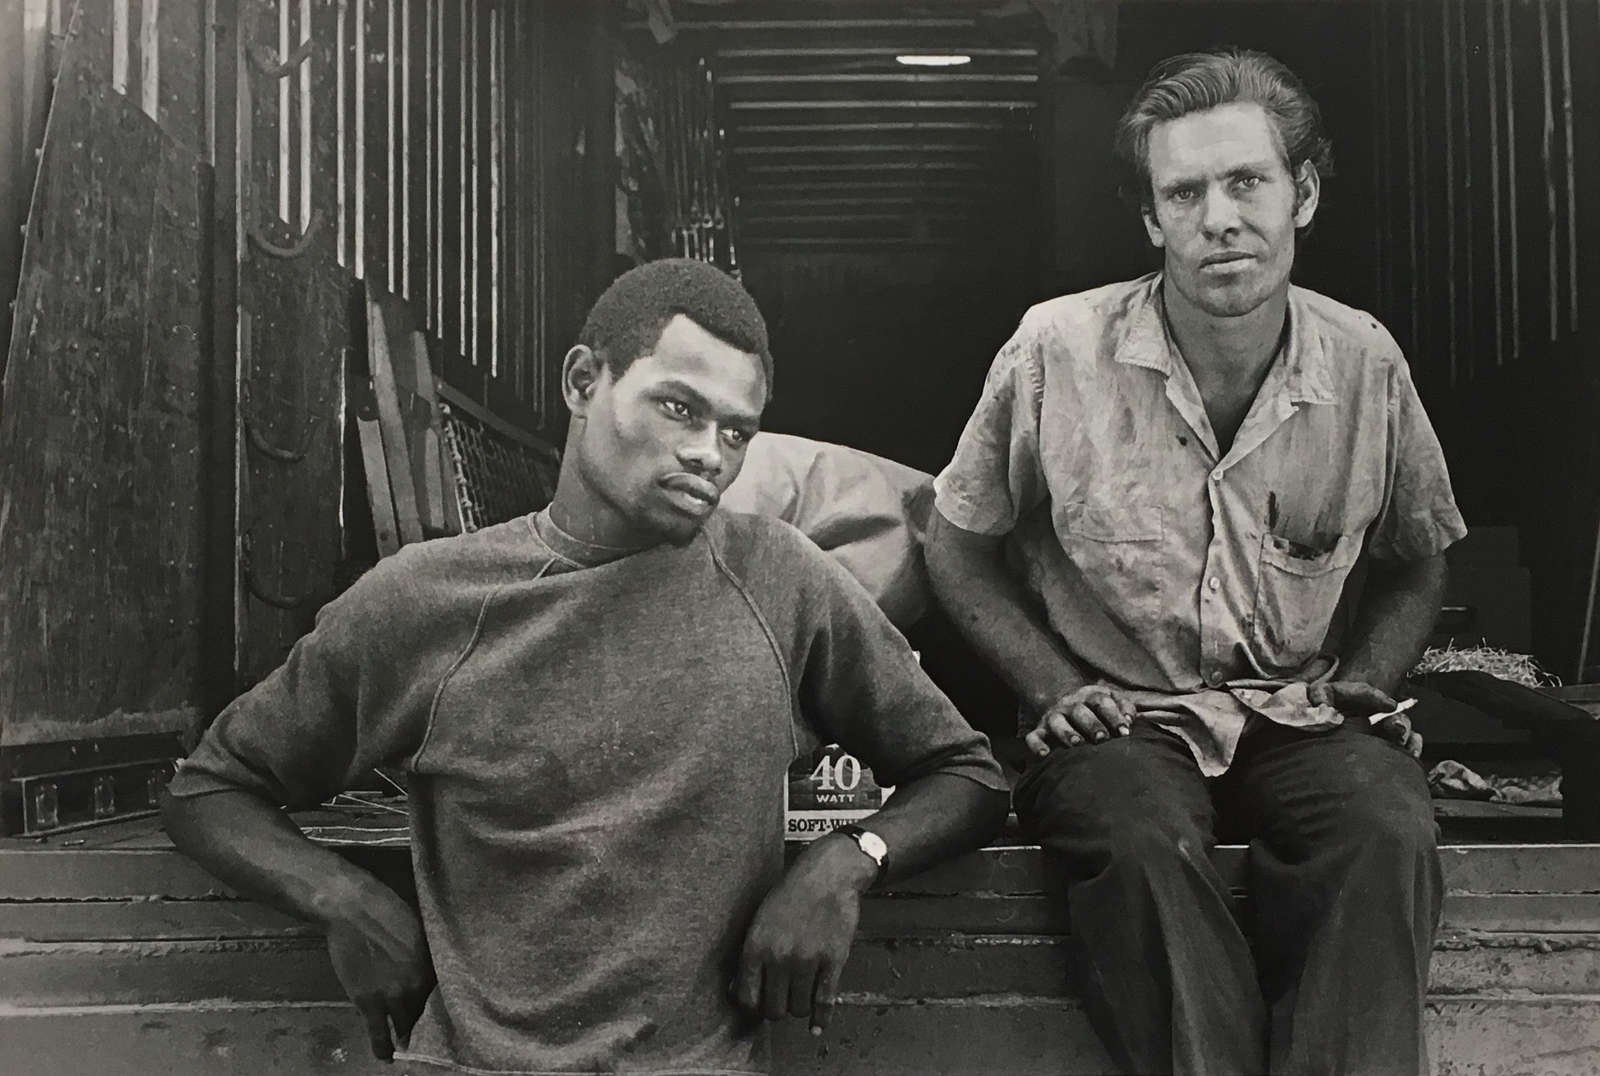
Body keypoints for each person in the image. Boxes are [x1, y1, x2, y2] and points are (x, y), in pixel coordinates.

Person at [163, 259, 1010, 1075]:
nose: (710, 453)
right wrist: (341, 899)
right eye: (679, 407)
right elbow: (209, 788)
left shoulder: (778, 581)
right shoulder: (428, 600)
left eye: (736, 432)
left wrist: (844, 860)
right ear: (582, 382)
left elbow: (966, 773)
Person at [924, 48, 1466, 1076]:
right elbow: (954, 544)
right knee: (1134, 844)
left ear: (1301, 193)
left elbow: (1414, 559)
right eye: (1185, 191)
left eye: (1246, 181)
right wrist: (1052, 686)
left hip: (1297, 710)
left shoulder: (1365, 364)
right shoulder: (1054, 351)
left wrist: (1366, 682)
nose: (1218, 217)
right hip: (1120, 718)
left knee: (1387, 822)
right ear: (1150, 219)